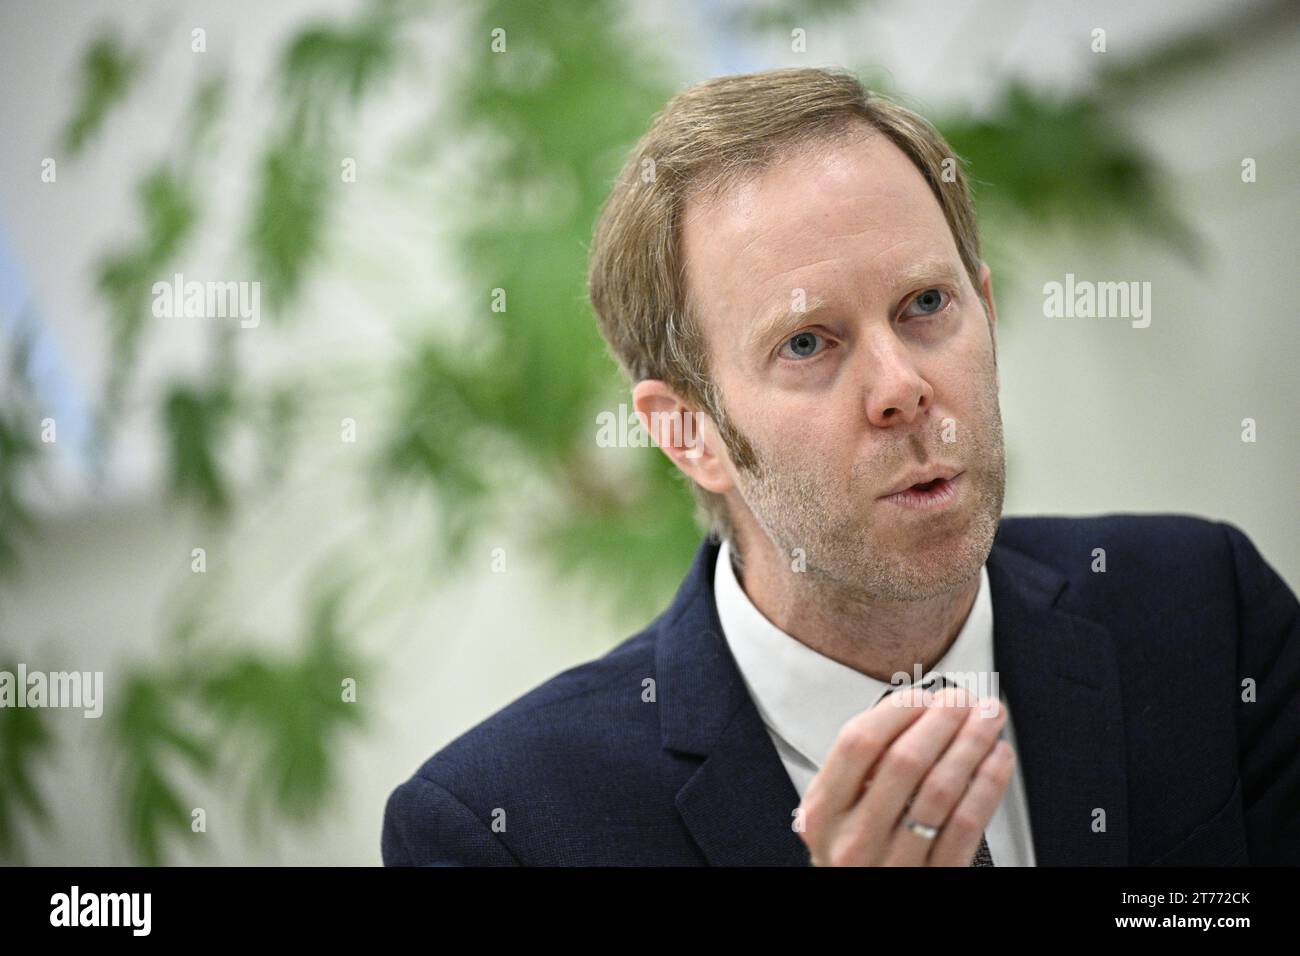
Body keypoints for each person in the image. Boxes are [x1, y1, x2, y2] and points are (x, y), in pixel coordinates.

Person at [382, 67, 1300, 866]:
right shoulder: (506, 829)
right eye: (807, 342)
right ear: (690, 432)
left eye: (926, 304)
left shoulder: (1202, 615)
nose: (902, 388)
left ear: (984, 308)